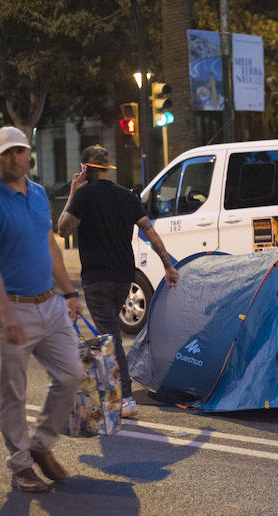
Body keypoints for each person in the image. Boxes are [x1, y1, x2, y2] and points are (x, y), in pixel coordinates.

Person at [0, 126, 84, 493]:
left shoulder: (36, 194)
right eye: (6, 153)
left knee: (71, 374)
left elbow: (49, 244)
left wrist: (69, 293)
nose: (14, 158)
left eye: (19, 151)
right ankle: (21, 465)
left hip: (48, 303)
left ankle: (41, 445)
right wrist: (5, 314)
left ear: (28, 154)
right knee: (12, 392)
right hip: (10, 308)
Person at [57, 145, 179, 419]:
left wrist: (74, 191)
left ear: (86, 169)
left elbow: (62, 228)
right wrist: (168, 265)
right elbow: (150, 232)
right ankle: (113, 395)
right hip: (125, 277)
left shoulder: (84, 195)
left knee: (109, 338)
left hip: (97, 278)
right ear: (107, 169)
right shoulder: (126, 196)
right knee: (110, 333)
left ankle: (124, 398)